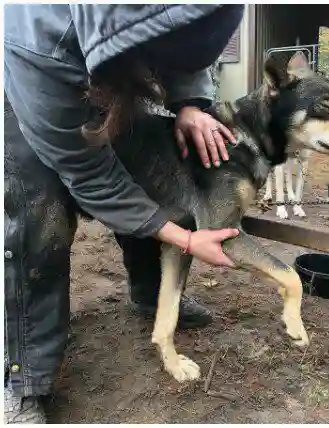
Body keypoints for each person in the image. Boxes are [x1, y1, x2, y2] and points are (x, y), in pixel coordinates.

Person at [4, 5, 246, 423]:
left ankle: (148, 294)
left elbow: (179, 34)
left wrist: (189, 103)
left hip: (115, 68)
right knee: (40, 218)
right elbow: (88, 173)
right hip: (30, 88)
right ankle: (28, 379)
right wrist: (184, 239)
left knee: (145, 170)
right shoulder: (40, 42)